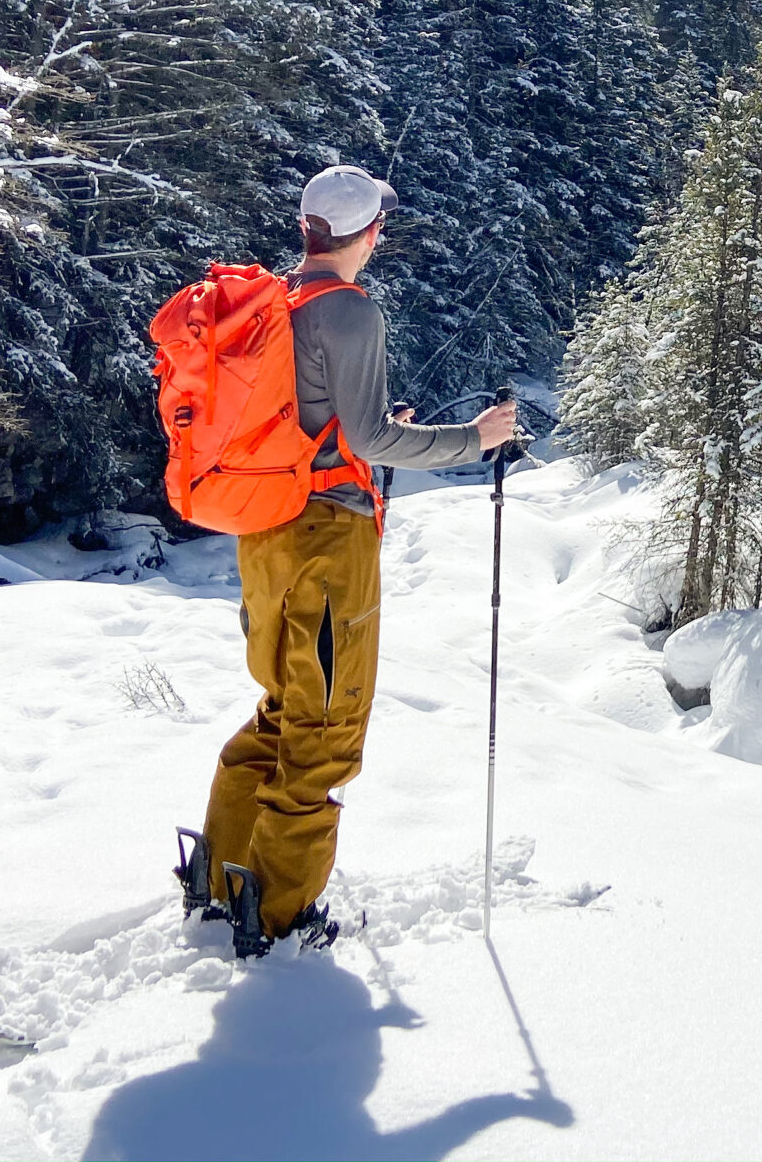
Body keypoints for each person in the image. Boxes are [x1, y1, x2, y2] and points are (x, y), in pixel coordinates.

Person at [190, 164, 519, 954]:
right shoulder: (349, 313)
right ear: (366, 233)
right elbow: (370, 440)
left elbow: (319, 420)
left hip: (264, 534)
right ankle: (274, 919)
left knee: (280, 708)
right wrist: (476, 440)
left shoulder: (282, 300)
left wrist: (361, 427)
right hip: (326, 542)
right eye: (379, 227)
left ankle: (220, 879)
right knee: (326, 725)